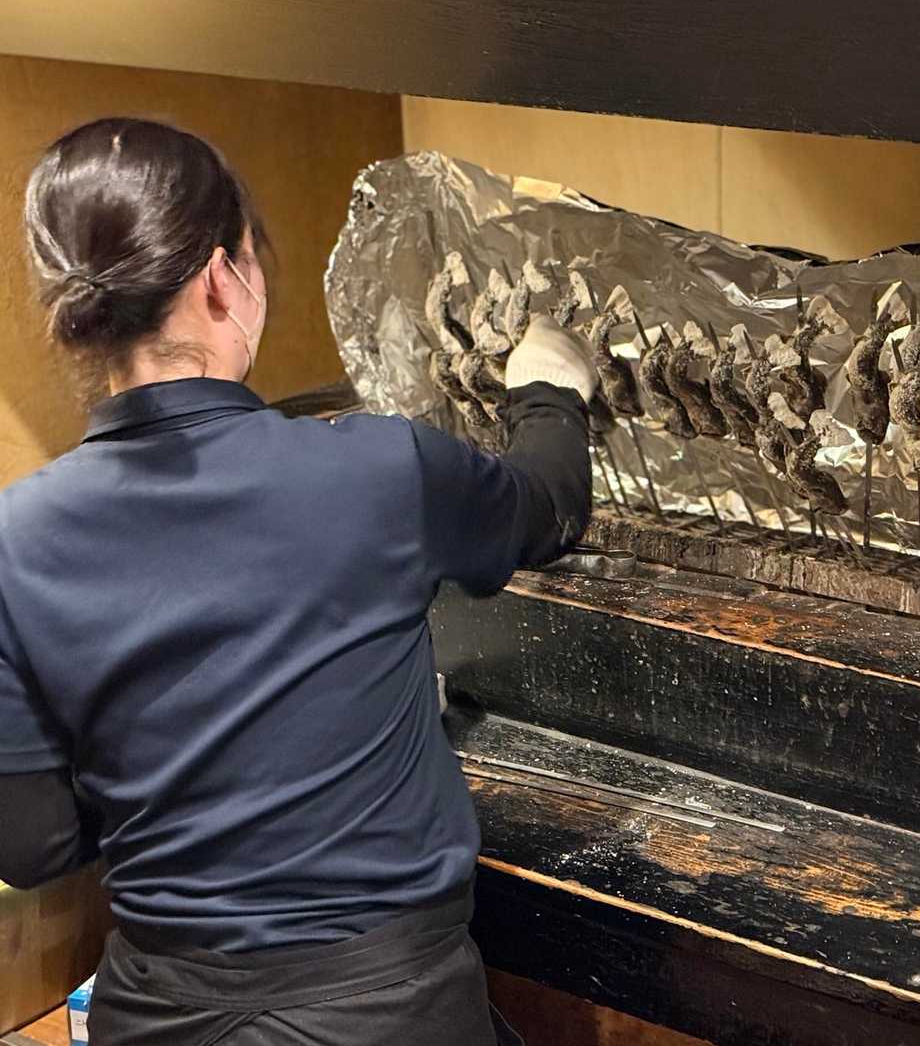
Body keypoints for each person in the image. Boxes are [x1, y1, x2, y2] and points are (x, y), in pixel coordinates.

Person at [0, 117, 596, 1045]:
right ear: (220, 278)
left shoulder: (13, 539)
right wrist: (550, 391)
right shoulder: (378, 469)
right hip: (391, 1014)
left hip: (158, 1015)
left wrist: (167, 764)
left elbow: (31, 844)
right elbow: (546, 507)